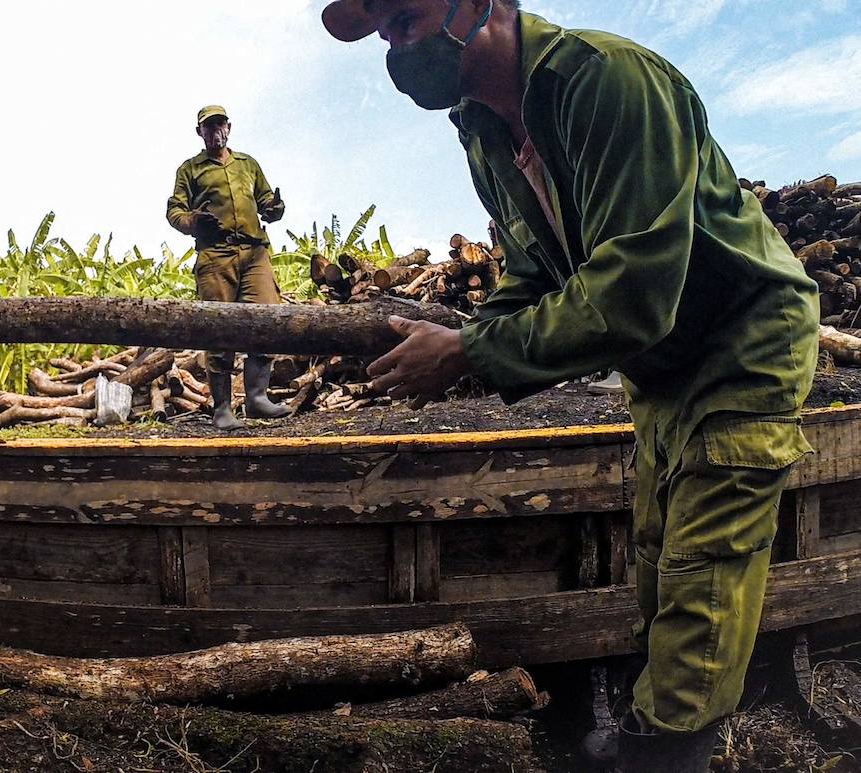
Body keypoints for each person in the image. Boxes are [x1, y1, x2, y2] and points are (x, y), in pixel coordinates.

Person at [320, 2, 818, 770]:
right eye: (383, 32)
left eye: (407, 19)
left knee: (704, 568)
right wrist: (455, 346)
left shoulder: (609, 81)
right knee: (656, 554)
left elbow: (632, 293)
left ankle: (665, 751)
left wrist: (470, 351)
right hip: (660, 360)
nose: (395, 46)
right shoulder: (483, 128)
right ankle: (654, 726)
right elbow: (533, 271)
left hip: (741, 338)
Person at [167, 105, 291, 430]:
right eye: (207, 127)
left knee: (267, 319)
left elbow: (267, 201)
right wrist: (193, 221)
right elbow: (174, 211)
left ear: (229, 128)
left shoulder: (247, 165)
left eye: (219, 125)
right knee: (218, 327)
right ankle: (222, 407)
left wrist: (274, 208)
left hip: (254, 252)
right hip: (215, 254)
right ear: (199, 132)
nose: (214, 131)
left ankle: (257, 399)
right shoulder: (190, 170)